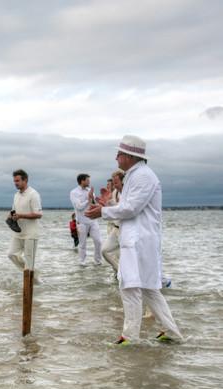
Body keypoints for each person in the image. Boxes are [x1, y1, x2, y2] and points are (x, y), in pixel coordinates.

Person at [86, 135, 182, 345]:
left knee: (129, 286)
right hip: (139, 238)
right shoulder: (135, 175)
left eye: (119, 153)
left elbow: (131, 208)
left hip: (139, 239)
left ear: (130, 156)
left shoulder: (143, 176)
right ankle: (172, 332)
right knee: (148, 288)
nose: (116, 157)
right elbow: (127, 206)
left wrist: (103, 211)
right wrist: (105, 206)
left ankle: (129, 337)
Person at [6, 169, 42, 283]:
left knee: (29, 262)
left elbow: (39, 214)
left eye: (17, 181)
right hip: (18, 233)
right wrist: (10, 215)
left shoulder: (33, 194)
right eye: (14, 181)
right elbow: (14, 210)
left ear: (25, 180)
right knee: (11, 254)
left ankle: (31, 287)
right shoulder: (16, 195)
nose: (15, 183)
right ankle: (34, 274)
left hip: (31, 234)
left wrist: (20, 215)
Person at [70, 173, 102, 266]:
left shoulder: (90, 191)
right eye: (87, 180)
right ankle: (82, 262)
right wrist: (88, 199)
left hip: (93, 220)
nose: (89, 182)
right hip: (81, 221)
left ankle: (98, 261)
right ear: (82, 181)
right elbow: (79, 207)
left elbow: (93, 204)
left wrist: (92, 199)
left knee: (98, 241)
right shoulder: (74, 192)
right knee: (82, 243)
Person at [101, 169, 124, 273]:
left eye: (116, 182)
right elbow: (112, 208)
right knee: (104, 250)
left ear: (122, 181)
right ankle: (119, 271)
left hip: (125, 229)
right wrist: (105, 202)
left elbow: (122, 209)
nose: (114, 185)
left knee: (123, 255)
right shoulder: (114, 192)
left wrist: (110, 204)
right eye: (113, 183)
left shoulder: (128, 192)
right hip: (115, 228)